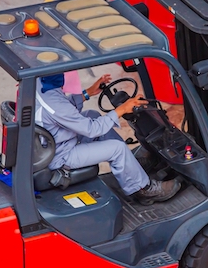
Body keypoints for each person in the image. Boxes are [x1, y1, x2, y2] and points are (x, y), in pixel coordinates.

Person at [35, 72, 180, 204]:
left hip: (52, 142)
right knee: (117, 149)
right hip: (61, 156)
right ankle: (143, 189)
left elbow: (62, 111)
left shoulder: (40, 84)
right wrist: (122, 109)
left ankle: (130, 166)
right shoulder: (55, 103)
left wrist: (87, 93)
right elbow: (92, 129)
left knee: (92, 115)